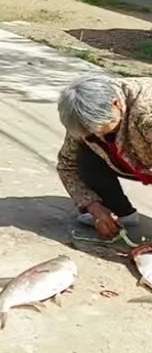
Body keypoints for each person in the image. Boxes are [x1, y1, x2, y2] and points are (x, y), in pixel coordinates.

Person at [56, 75, 150, 241]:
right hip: (133, 160)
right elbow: (67, 165)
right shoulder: (83, 118)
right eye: (91, 132)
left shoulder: (146, 115)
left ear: (116, 104)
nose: (98, 136)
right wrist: (94, 207)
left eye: (102, 130)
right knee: (83, 152)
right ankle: (119, 212)